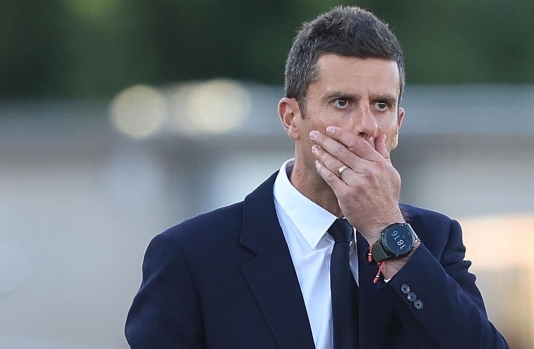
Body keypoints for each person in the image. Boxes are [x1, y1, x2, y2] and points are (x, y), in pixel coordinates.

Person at [125, 6, 509, 349]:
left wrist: (388, 231)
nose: (364, 125)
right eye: (342, 103)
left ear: (397, 126)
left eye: (381, 105)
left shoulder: (433, 241)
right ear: (292, 117)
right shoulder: (193, 256)